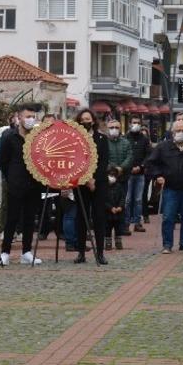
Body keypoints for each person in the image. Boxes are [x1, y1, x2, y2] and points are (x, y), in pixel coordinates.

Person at [146, 117, 183, 255]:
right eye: (178, 130)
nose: (180, 133)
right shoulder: (163, 147)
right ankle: (167, 244)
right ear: (172, 132)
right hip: (170, 188)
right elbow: (151, 163)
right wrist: (158, 176)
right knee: (168, 217)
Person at [0, 103, 44, 265]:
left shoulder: (38, 137)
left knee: (30, 219)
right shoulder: (9, 136)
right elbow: (3, 161)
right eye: (27, 116)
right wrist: (11, 178)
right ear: (19, 117)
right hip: (15, 184)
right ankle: (5, 252)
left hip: (34, 183)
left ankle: (26, 252)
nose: (31, 119)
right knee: (12, 218)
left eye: (33, 117)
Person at [74, 109, 110, 265]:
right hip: (81, 183)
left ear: (93, 121)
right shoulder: (75, 139)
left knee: (99, 217)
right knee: (81, 218)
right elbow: (74, 160)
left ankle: (100, 253)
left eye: (87, 119)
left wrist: (94, 179)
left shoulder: (102, 138)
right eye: (82, 119)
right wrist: (85, 178)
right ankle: (81, 252)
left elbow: (104, 161)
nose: (85, 122)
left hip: (98, 183)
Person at [105, 118, 133, 237]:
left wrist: (121, 168)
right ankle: (106, 229)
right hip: (108, 179)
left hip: (123, 178)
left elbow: (130, 157)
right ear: (107, 129)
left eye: (116, 127)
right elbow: (104, 158)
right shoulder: (104, 142)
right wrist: (114, 169)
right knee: (107, 203)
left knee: (123, 202)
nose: (114, 129)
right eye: (112, 127)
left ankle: (122, 228)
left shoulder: (126, 142)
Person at [125, 115, 151, 233]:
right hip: (128, 174)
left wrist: (141, 166)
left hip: (140, 174)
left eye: (138, 123)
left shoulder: (144, 139)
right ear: (130, 124)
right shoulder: (125, 138)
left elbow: (148, 155)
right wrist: (129, 167)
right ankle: (126, 223)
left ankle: (137, 223)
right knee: (127, 200)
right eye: (134, 122)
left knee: (138, 200)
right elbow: (124, 154)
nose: (136, 125)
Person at [104, 166, 127, 250]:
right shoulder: (104, 187)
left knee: (118, 228)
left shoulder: (119, 186)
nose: (112, 177)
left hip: (118, 212)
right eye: (110, 175)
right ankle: (108, 243)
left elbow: (123, 197)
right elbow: (103, 200)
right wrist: (110, 208)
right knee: (107, 228)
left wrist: (120, 206)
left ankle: (118, 242)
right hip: (108, 213)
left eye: (114, 175)